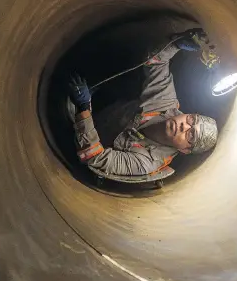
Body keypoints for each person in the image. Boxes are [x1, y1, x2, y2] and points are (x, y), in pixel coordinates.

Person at [68, 28, 218, 180]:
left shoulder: (146, 162)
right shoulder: (165, 104)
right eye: (191, 120)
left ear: (185, 149)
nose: (183, 126)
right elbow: (155, 62)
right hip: (101, 115)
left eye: (191, 134)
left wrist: (83, 108)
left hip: (78, 144)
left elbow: (94, 157)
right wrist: (176, 44)